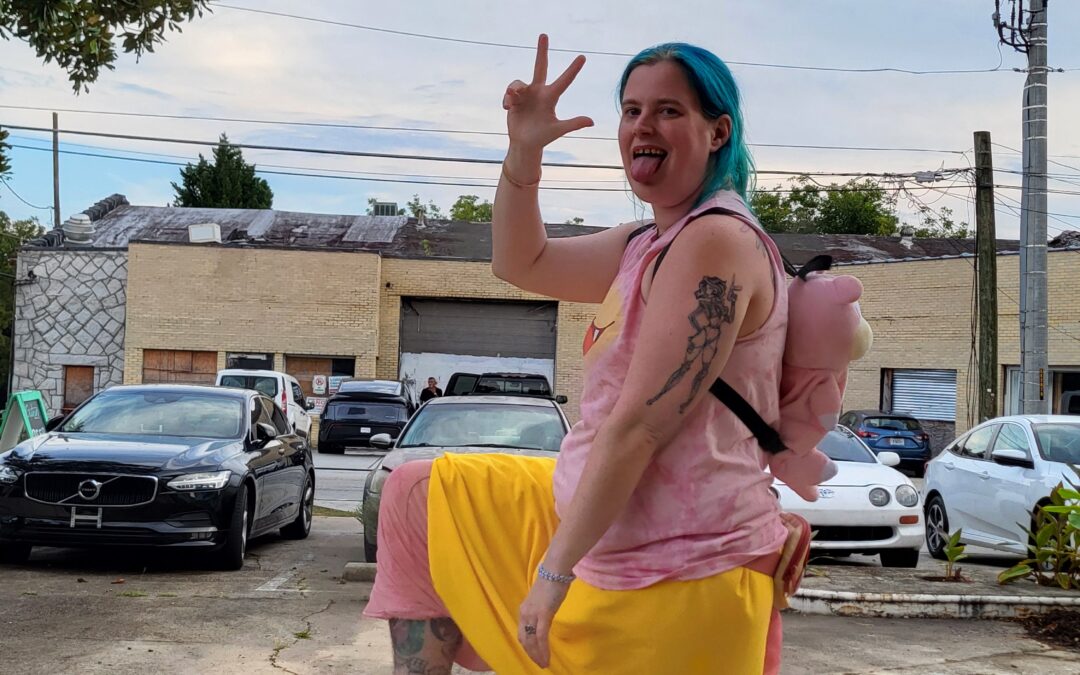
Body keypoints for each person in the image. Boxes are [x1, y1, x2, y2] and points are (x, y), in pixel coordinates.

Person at [365, 34, 802, 674]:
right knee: (420, 493)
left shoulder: (715, 241)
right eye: (631, 110)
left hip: (675, 570)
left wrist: (551, 575)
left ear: (718, 132)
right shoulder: (646, 242)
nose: (643, 126)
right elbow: (522, 261)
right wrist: (525, 151)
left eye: (669, 110)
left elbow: (640, 426)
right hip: (602, 538)